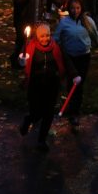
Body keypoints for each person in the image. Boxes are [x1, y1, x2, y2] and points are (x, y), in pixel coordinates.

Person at [18, 23, 79, 152]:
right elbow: (19, 61)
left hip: (52, 85)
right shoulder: (30, 46)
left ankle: (42, 140)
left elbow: (67, 61)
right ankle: (29, 119)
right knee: (36, 112)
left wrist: (74, 74)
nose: (45, 39)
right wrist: (21, 61)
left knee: (48, 113)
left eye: (47, 35)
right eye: (42, 36)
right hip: (35, 86)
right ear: (37, 37)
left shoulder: (56, 47)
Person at [53, 0, 98, 129]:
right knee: (72, 82)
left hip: (83, 57)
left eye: (78, 8)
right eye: (73, 8)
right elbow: (55, 38)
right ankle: (71, 108)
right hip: (70, 57)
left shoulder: (88, 21)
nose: (75, 11)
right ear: (68, 8)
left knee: (79, 85)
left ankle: (75, 111)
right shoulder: (64, 22)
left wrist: (97, 44)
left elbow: (95, 36)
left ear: (82, 8)